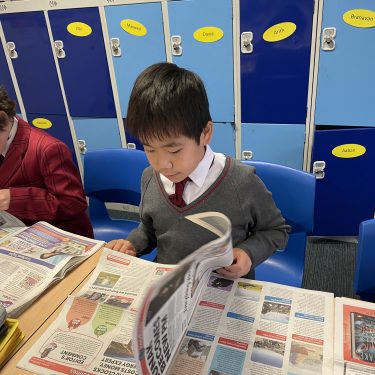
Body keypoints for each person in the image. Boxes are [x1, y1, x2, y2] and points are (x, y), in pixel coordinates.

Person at [106, 62, 289, 279]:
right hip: (170, 284)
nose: (162, 164)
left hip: (223, 286)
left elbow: (276, 231)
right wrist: (132, 244)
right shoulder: (149, 177)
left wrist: (248, 254)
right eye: (149, 149)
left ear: (205, 133)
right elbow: (149, 230)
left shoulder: (241, 181)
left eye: (174, 149)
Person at [0, 86, 93, 238]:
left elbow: (72, 203)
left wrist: (12, 198)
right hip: (15, 230)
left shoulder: (48, 149)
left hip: (59, 236)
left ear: (3, 120)